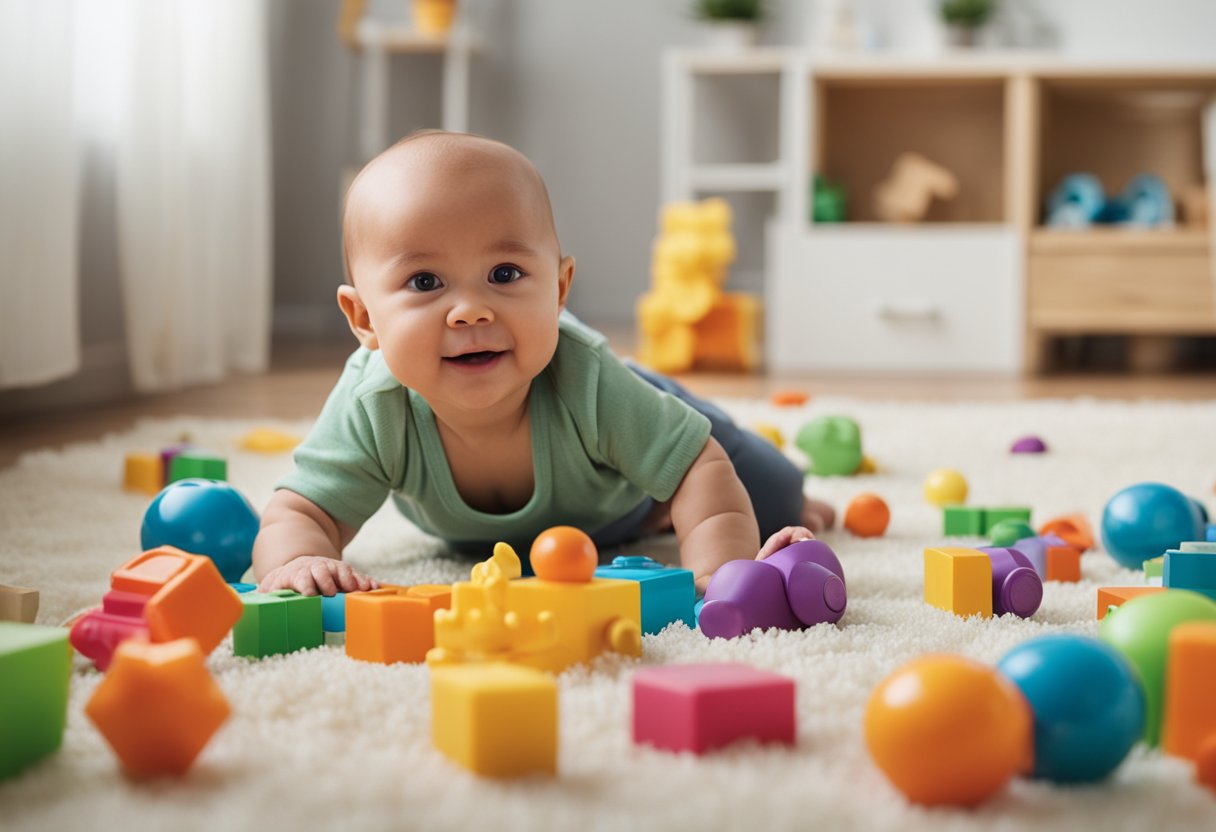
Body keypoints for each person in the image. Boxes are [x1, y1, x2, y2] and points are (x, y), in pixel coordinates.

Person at [252, 131, 834, 597]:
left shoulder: (586, 380)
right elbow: (302, 509)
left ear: (558, 291)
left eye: (505, 275)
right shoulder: (372, 404)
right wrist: (299, 561)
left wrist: (719, 575)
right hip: (572, 523)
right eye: (425, 281)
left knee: (769, 492)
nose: (471, 312)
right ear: (365, 320)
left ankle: (728, 492)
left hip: (619, 448)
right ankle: (658, 507)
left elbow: (699, 468)